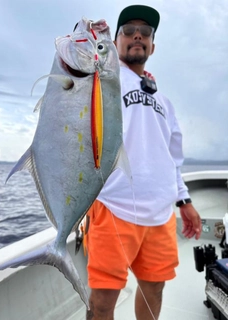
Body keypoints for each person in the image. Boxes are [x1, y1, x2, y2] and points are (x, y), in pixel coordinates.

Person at [86, 4, 202, 320]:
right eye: (128, 30)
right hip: (114, 207)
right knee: (102, 302)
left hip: (161, 214)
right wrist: (93, 38)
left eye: (146, 32)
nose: (138, 34)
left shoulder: (165, 101)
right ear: (115, 42)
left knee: (154, 290)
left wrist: (184, 200)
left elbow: (172, 157)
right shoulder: (103, 81)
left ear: (152, 45)